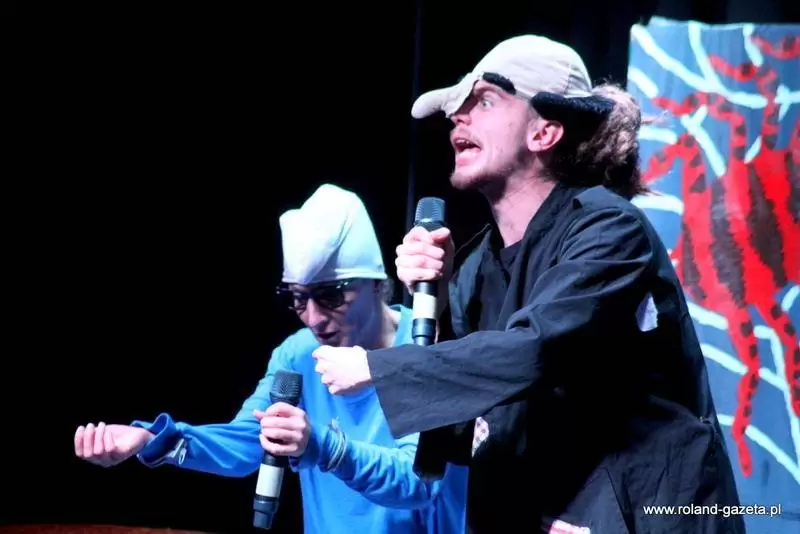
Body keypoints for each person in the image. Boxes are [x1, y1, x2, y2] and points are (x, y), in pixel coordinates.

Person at [312, 35, 745, 533]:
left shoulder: (611, 231)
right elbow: (463, 417)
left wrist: (376, 366)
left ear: (545, 132)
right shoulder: (477, 264)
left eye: (485, 101)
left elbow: (536, 349)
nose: (458, 117)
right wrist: (438, 300)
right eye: (458, 107)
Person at [74, 183, 468, 534]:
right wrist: (156, 439)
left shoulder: (429, 345)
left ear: (377, 284)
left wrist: (324, 446)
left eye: (331, 296)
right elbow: (250, 440)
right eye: (297, 299)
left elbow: (418, 481)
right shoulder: (299, 354)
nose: (314, 319)